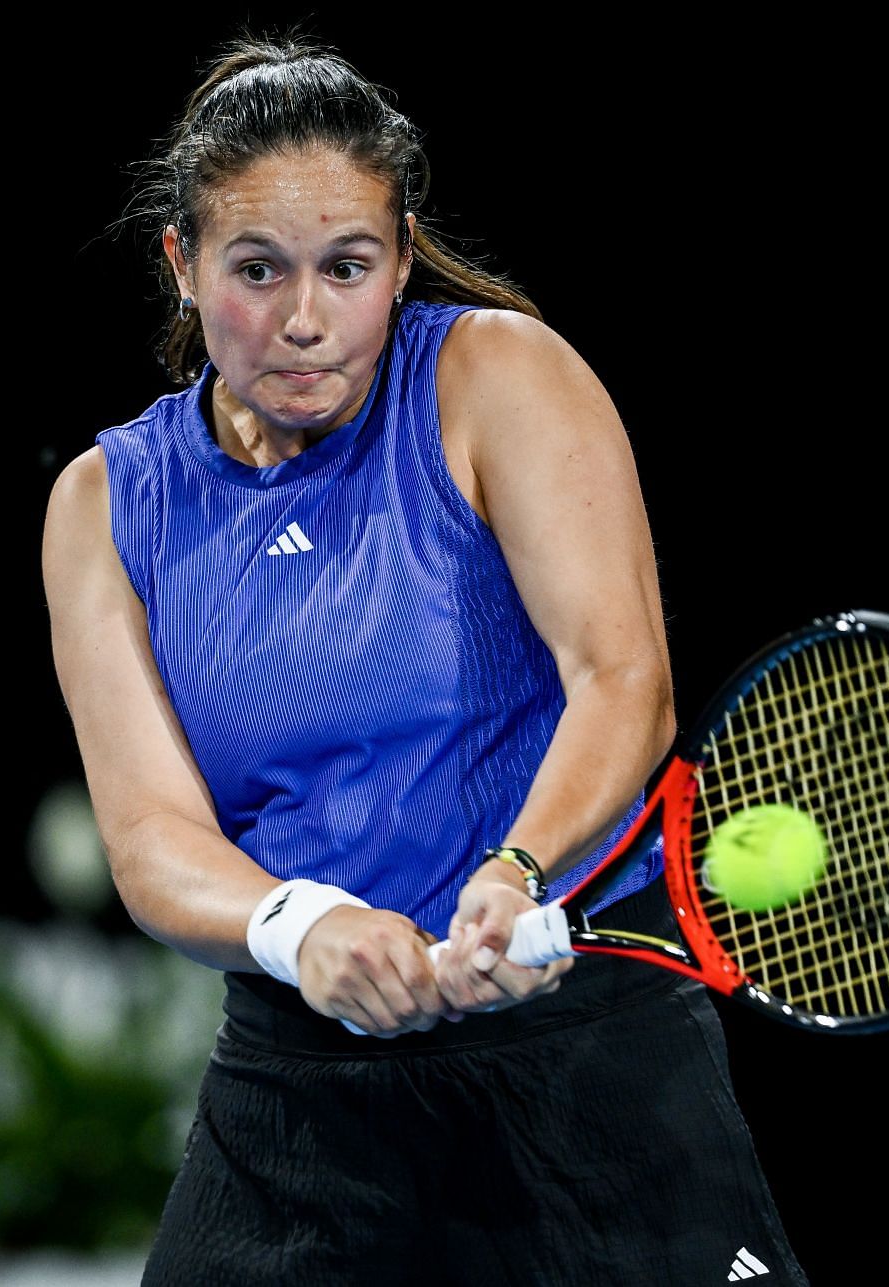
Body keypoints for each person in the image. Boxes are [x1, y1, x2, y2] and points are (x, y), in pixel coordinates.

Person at [43, 32, 809, 1285]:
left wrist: (517, 870)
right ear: (180, 265)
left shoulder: (497, 376)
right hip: (301, 1098)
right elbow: (151, 841)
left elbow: (623, 681)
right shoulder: (102, 506)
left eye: (347, 267)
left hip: (585, 1062)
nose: (302, 320)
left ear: (400, 258)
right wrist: (301, 924)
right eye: (256, 269)